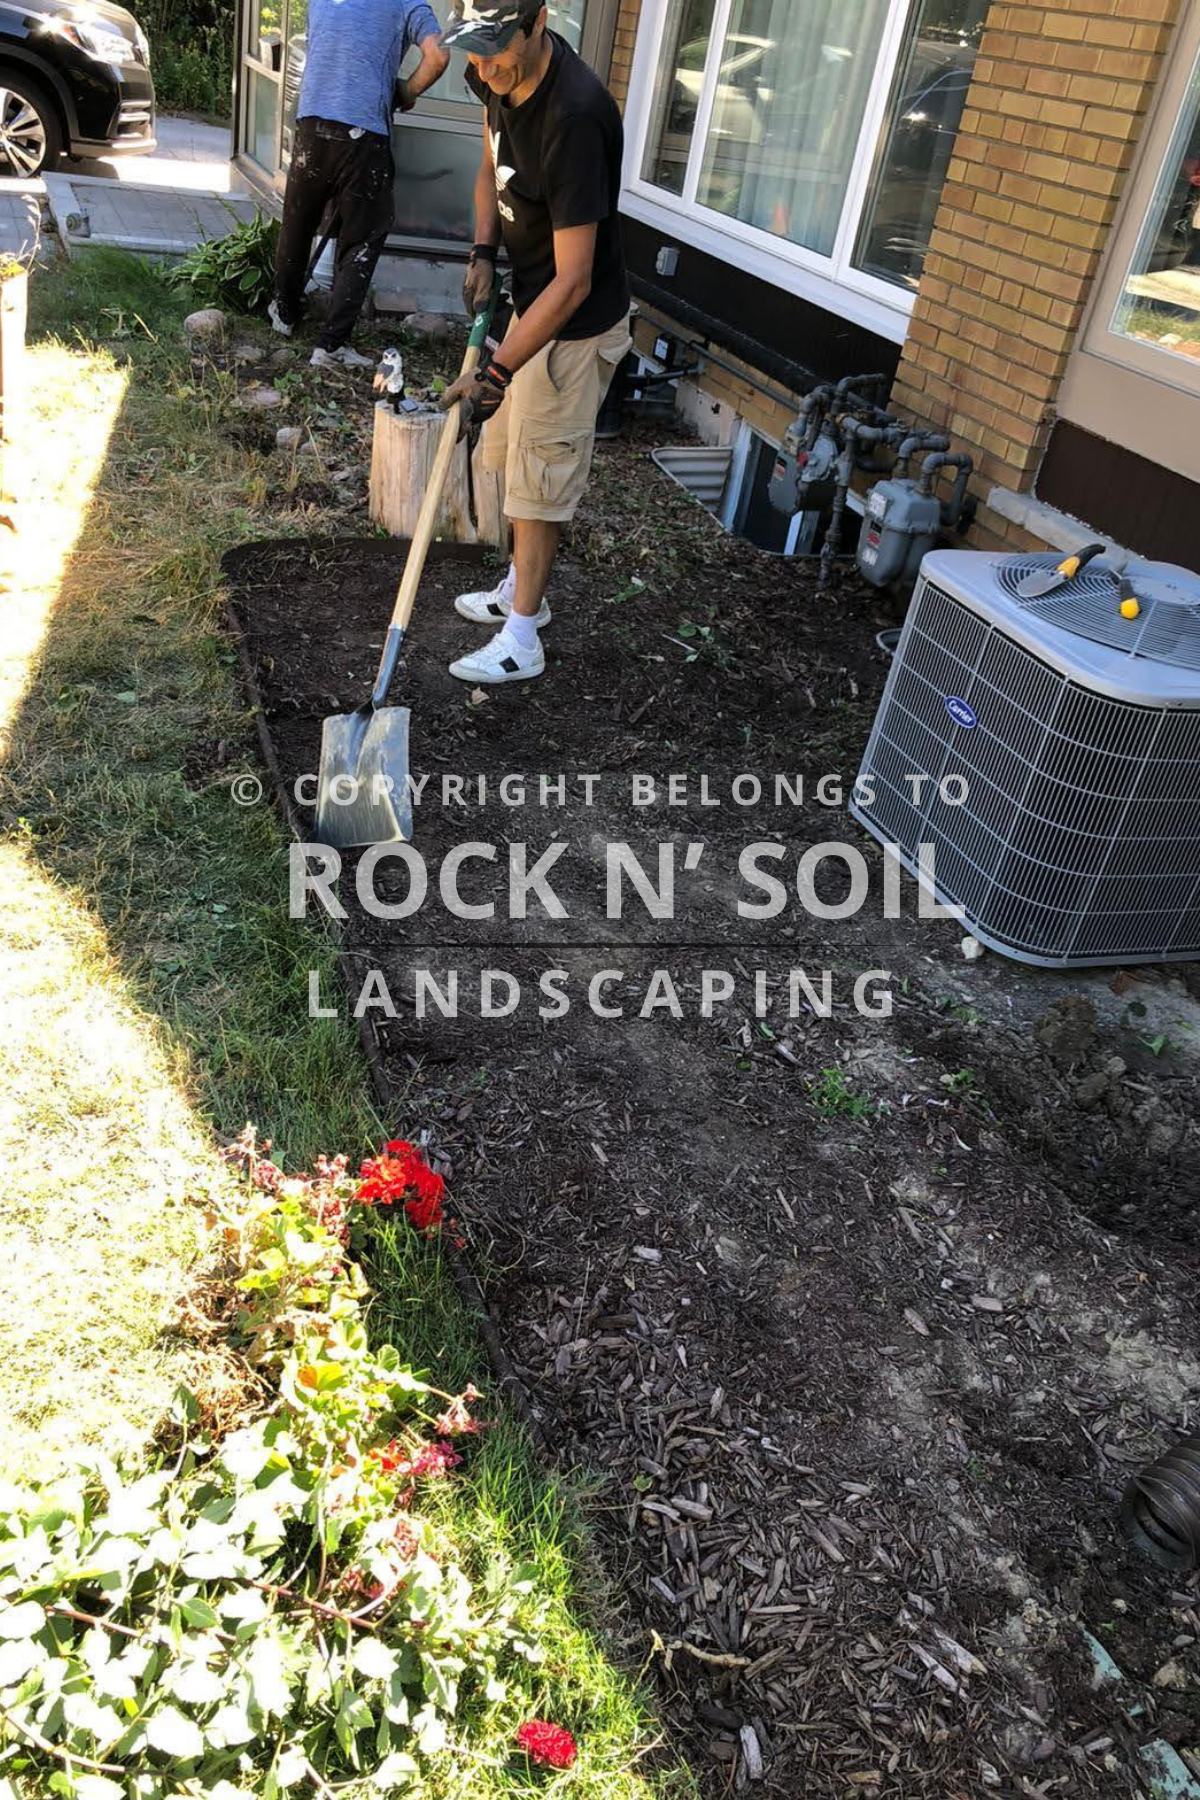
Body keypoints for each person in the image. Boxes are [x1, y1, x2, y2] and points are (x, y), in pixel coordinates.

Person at [437, 0, 631, 684]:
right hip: (531, 302)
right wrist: (484, 251)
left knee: (538, 484)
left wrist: (497, 370)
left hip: (573, 326)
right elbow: (491, 165)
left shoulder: (575, 116)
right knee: (511, 457)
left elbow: (575, 281)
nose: (484, 70)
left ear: (540, 20)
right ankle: (520, 588)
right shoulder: (492, 73)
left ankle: (523, 636)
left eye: (497, 52)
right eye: (474, 53)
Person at [269, 0, 449, 368]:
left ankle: (284, 314)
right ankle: (331, 346)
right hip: (364, 134)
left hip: (311, 123)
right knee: (361, 239)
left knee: (299, 223)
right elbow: (438, 56)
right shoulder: (407, 3)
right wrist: (406, 92)